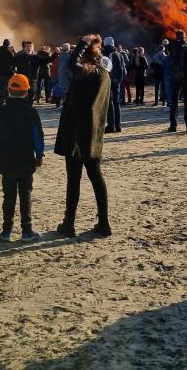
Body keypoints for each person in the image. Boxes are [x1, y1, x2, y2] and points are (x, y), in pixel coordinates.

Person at [54, 34, 112, 237]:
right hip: (93, 134)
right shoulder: (104, 74)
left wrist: (83, 43)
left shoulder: (89, 73)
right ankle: (104, 223)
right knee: (96, 177)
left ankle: (69, 223)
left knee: (74, 179)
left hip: (77, 134)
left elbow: (72, 63)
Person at [0, 73, 45, 242]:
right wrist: (39, 154)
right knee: (25, 195)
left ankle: (6, 231)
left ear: (8, 90)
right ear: (27, 91)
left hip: (7, 160)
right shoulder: (31, 112)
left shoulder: (1, 112)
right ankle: (27, 230)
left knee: (9, 196)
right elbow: (38, 136)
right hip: (26, 159)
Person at [166, 30, 187, 133]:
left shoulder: (172, 47)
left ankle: (173, 125)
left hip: (174, 77)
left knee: (174, 101)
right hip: (186, 77)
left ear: (176, 37)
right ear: (184, 37)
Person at [103, 37, 125, 134]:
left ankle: (111, 126)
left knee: (109, 103)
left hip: (108, 81)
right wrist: (119, 79)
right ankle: (118, 125)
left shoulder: (104, 54)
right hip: (117, 82)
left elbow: (104, 69)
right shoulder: (119, 54)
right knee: (117, 103)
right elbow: (123, 69)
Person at [0, 39, 15, 107]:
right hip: (8, 71)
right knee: (8, 86)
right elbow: (13, 60)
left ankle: (1, 101)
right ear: (8, 44)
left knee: (2, 86)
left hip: (1, 71)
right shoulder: (10, 51)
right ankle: (7, 100)